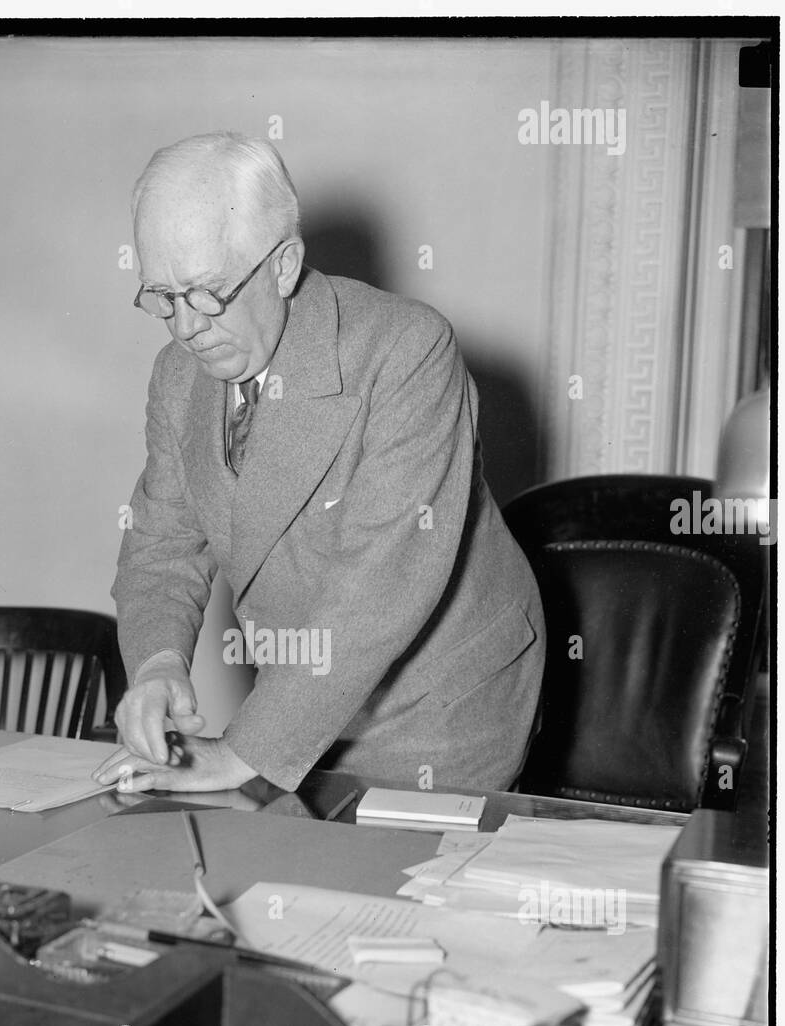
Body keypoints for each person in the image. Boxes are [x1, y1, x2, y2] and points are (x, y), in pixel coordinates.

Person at [96, 132, 545, 795]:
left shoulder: (407, 352)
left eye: (208, 292)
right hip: (301, 705)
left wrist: (240, 754)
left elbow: (376, 591)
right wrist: (159, 663)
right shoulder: (178, 378)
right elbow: (162, 548)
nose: (187, 327)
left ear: (283, 266)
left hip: (438, 711)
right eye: (161, 296)